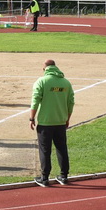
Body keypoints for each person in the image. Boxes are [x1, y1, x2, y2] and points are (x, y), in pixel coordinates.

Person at [30, 59, 75, 187]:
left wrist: (31, 118)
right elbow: (71, 103)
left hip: (45, 123)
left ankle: (44, 178)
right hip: (60, 122)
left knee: (45, 150)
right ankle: (64, 176)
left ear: (45, 69)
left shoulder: (42, 81)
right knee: (62, 149)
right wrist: (67, 118)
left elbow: (35, 101)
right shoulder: (66, 83)